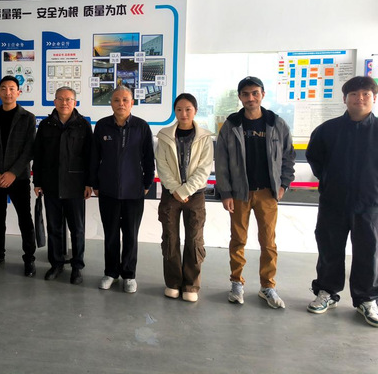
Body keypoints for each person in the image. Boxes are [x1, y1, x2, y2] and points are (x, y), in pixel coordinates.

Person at [306, 76, 378, 328]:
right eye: (354, 94)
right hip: (334, 202)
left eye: (365, 94)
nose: (359, 98)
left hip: (371, 203)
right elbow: (315, 158)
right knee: (329, 248)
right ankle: (327, 292)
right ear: (345, 99)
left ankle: (367, 300)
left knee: (369, 251)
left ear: (374, 98)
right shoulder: (328, 130)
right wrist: (330, 181)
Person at [215, 76, 295, 308]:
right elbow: (221, 161)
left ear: (262, 94)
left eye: (255, 93)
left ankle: (267, 286)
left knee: (268, 241)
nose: (250, 98)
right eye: (246, 94)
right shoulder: (231, 125)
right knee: (238, 240)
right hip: (239, 193)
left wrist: (283, 184)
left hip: (267, 193)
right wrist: (225, 193)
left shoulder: (276, 123)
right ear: (240, 97)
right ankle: (236, 282)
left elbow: (288, 156)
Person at [90, 85, 155, 293]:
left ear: (132, 103)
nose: (121, 104)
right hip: (107, 190)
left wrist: (147, 184)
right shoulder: (102, 126)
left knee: (130, 235)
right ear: (111, 103)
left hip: (134, 191)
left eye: (125, 100)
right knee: (110, 234)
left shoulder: (141, 127)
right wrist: (95, 184)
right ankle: (111, 272)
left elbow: (148, 158)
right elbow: (94, 157)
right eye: (117, 100)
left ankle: (129, 275)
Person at [155, 93, 213, 302]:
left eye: (188, 109)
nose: (183, 113)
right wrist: (175, 189)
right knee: (170, 238)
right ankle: (173, 283)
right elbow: (162, 165)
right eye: (179, 109)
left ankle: (191, 285)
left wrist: (186, 190)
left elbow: (204, 169)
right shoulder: (165, 136)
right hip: (171, 194)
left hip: (195, 195)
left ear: (195, 111)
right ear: (175, 111)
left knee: (194, 239)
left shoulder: (205, 138)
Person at [33, 87, 93, 285]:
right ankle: (56, 264)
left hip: (76, 186)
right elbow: (38, 155)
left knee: (77, 229)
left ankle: (77, 267)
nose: (64, 103)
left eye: (68, 99)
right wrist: (37, 182)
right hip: (51, 185)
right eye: (60, 99)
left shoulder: (83, 125)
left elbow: (90, 156)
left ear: (75, 102)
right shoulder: (45, 125)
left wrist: (89, 183)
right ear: (55, 102)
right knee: (54, 228)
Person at [0, 76, 37, 276]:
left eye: (12, 88)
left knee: (25, 219)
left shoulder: (27, 118)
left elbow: (30, 149)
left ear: (18, 92)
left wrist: (13, 172)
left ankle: (29, 258)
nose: (8, 92)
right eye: (4, 88)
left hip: (18, 178)